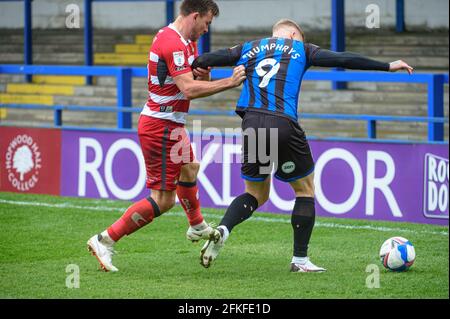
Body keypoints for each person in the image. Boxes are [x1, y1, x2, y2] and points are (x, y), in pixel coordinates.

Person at [192, 19, 414, 272]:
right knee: (305, 189)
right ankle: (299, 260)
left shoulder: (248, 47)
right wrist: (387, 65)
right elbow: (343, 59)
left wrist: (200, 70)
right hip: (283, 123)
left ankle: (223, 229)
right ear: (294, 34)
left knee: (256, 193)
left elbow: (204, 59)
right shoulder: (303, 49)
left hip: (251, 122)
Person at [87, 0, 247, 272]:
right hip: (159, 126)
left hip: (172, 124)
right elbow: (189, 90)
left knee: (190, 168)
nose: (207, 29)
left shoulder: (187, 42)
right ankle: (105, 239)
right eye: (207, 23)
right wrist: (229, 82)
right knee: (164, 200)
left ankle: (196, 225)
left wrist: (205, 76)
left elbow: (195, 84)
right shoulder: (172, 42)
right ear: (195, 16)